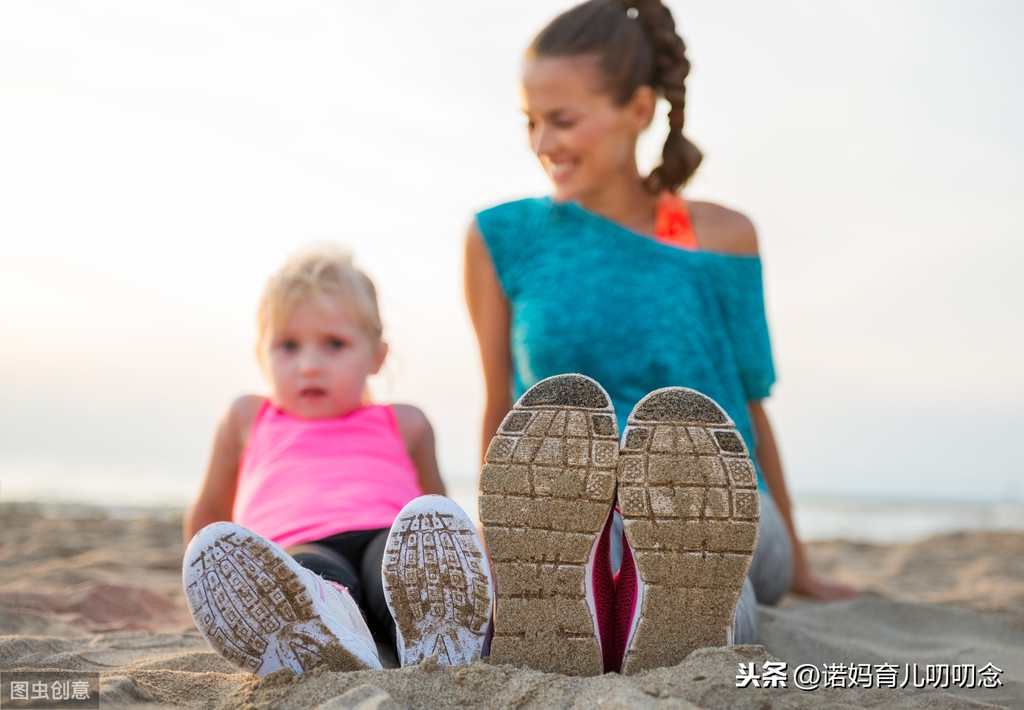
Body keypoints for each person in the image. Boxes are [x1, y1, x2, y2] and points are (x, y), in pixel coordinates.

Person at [465, 0, 857, 676]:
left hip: (721, 501)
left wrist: (802, 559)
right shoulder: (501, 238)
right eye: (531, 121)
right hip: (576, 509)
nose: (542, 143)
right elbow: (502, 407)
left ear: (639, 110)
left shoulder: (721, 236)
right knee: (597, 538)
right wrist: (497, 540)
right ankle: (589, 607)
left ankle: (671, 618)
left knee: (695, 551)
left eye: (563, 119)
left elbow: (751, 405)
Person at [183, 245, 493, 676]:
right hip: (297, 542)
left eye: (335, 344)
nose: (309, 365)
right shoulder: (247, 417)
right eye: (288, 345)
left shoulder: (405, 422)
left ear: (377, 356)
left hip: (383, 536)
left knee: (403, 570)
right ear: (262, 355)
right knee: (309, 580)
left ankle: (437, 630)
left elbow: (434, 512)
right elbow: (210, 514)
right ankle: (325, 637)